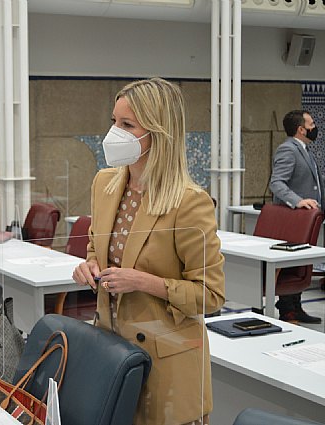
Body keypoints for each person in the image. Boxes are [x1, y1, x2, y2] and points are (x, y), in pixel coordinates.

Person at [72, 78, 225, 425]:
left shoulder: (190, 202)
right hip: (112, 353)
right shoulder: (105, 183)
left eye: (127, 125)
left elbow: (211, 295)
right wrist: (89, 266)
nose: (114, 132)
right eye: (114, 121)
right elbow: (97, 247)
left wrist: (144, 282)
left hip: (166, 365)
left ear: (159, 132)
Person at [269, 110, 325, 324]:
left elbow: (313, 182)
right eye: (311, 123)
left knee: (301, 265)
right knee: (291, 266)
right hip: (293, 220)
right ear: (301, 129)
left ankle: (296, 307)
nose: (314, 126)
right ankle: (286, 311)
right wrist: (298, 201)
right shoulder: (288, 150)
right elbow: (277, 183)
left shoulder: (304, 150)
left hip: (305, 223)